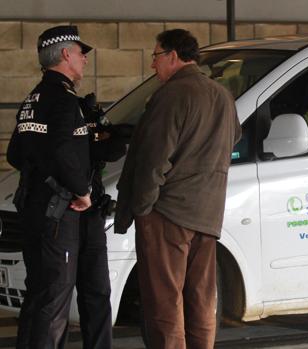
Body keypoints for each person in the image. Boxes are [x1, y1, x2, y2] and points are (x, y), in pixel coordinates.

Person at [114, 29, 241, 349]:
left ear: (173, 56)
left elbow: (153, 157)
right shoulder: (221, 95)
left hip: (169, 212)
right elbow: (234, 139)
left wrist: (142, 207)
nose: (152, 64)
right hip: (208, 211)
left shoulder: (171, 94)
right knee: (200, 297)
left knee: (164, 300)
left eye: (155, 56)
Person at [6, 25, 113, 348]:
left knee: (41, 294)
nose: (84, 60)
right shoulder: (64, 101)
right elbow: (63, 152)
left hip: (36, 208)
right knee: (54, 298)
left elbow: (15, 153)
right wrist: (82, 191)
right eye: (81, 54)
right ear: (66, 54)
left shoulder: (33, 98)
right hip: (59, 211)